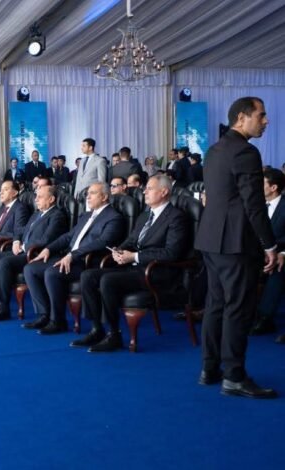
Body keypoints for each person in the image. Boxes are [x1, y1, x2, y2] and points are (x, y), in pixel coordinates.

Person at [195, 96, 277, 399]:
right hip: (236, 243)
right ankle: (234, 376)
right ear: (242, 118)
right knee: (238, 310)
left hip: (210, 240)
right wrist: (270, 245)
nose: (266, 121)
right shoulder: (246, 152)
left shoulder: (214, 149)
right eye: (261, 115)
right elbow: (254, 205)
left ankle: (209, 369)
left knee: (215, 306)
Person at [73, 175, 190, 352]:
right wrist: (118, 251)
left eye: (149, 188)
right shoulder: (144, 216)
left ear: (164, 192)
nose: (144, 192)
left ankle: (114, 335)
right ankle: (97, 329)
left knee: (107, 280)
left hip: (157, 272)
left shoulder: (176, 217)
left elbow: (171, 253)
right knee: (88, 276)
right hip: (135, 268)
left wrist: (134, 257)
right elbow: (131, 240)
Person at [23, 182, 125, 334]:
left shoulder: (114, 217)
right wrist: (48, 249)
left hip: (87, 261)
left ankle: (58, 321)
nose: (87, 197)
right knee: (30, 269)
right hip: (70, 257)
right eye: (87, 193)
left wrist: (73, 255)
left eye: (92, 193)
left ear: (104, 197)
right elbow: (68, 236)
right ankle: (44, 314)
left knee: (52, 273)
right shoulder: (86, 215)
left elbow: (103, 242)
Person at [0, 185, 68, 321]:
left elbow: (46, 240)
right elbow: (20, 230)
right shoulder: (36, 214)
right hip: (22, 250)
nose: (36, 199)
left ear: (51, 199)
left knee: (5, 262)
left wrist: (24, 247)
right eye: (36, 196)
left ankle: (3, 308)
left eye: (40, 197)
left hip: (35, 254)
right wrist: (16, 241)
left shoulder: (57, 215)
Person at [250, 169, 285, 336]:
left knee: (279, 268)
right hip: (254, 253)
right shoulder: (255, 205)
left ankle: (265, 317)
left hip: (279, 254)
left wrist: (283, 253)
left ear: (273, 187)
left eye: (261, 183)